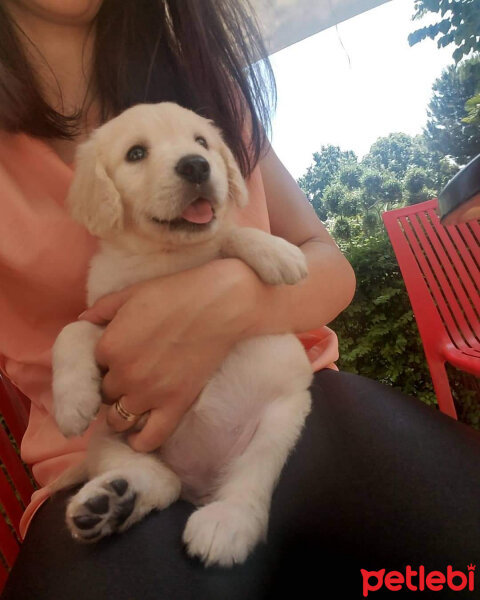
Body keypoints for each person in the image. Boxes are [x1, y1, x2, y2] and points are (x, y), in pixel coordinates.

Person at [1, 2, 479, 598]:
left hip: (283, 402)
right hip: (110, 445)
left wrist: (233, 297)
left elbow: (330, 268)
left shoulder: (207, 81)